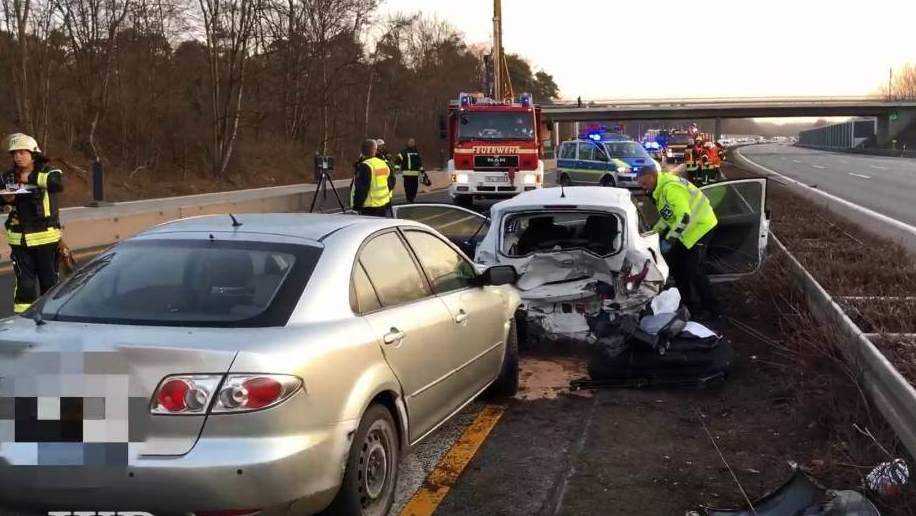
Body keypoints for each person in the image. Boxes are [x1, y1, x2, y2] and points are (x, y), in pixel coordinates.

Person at [636, 167, 720, 319]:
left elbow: (684, 217)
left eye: (644, 183)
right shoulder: (660, 190)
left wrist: (669, 240)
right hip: (689, 230)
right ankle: (690, 304)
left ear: (652, 177)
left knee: (695, 270)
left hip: (701, 227)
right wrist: (654, 233)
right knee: (679, 269)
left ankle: (712, 310)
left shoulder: (671, 188)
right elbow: (668, 217)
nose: (643, 187)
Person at [1, 133, 64, 314]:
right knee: (25, 287)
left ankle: (50, 319)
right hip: (19, 241)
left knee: (49, 285)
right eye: (14, 153)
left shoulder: (48, 172)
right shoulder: (8, 177)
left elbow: (56, 184)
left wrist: (29, 178)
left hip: (46, 239)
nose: (17, 157)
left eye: (22, 152)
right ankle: (23, 321)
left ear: (33, 153)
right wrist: (5, 199)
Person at [351, 139, 395, 217]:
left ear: (362, 151)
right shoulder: (384, 163)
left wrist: (356, 208)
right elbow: (392, 181)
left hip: (369, 207)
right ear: (375, 150)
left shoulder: (365, 166)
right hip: (383, 204)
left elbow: (361, 190)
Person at [395, 138, 425, 203]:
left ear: (414, 144)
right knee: (408, 188)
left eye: (413, 142)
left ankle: (412, 198)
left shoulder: (416, 153)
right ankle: (409, 199)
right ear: (408, 143)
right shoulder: (404, 152)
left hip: (415, 174)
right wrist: (396, 168)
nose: (411, 143)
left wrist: (422, 171)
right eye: (410, 142)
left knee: (414, 188)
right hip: (407, 174)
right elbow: (398, 160)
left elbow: (419, 163)